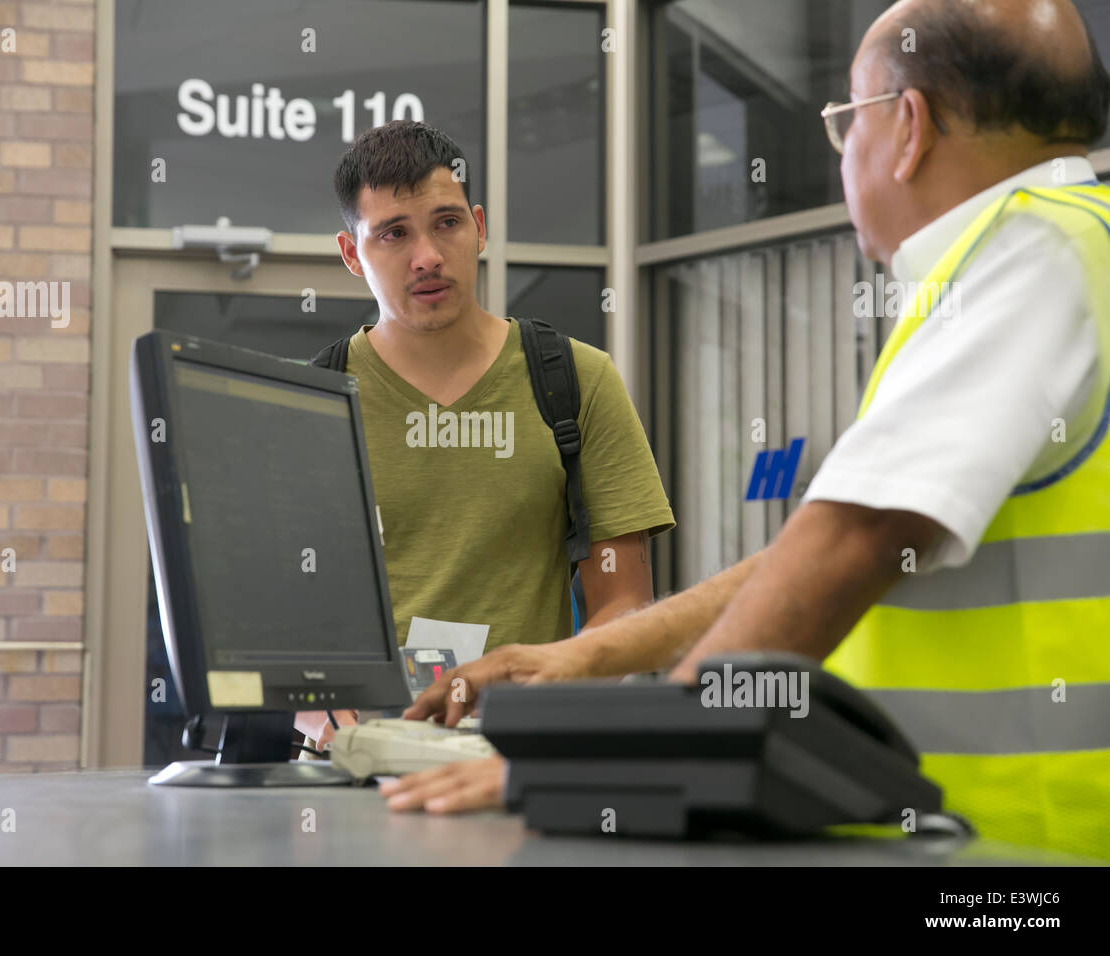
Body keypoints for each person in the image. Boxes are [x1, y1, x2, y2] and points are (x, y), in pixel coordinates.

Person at [384, 0, 1110, 861]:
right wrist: (576, 662)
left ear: (907, 127)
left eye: (846, 123)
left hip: (1024, 859)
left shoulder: (1030, 260)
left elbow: (853, 539)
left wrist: (609, 767)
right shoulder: (1071, 249)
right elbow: (813, 556)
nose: (845, 160)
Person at [293, 121, 675, 750]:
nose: (428, 256)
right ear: (351, 254)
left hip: (521, 756)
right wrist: (334, 727)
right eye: (394, 234)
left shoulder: (576, 381)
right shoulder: (315, 401)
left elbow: (626, 604)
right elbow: (280, 621)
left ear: (479, 226)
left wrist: (545, 705)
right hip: (350, 767)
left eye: (446, 223)